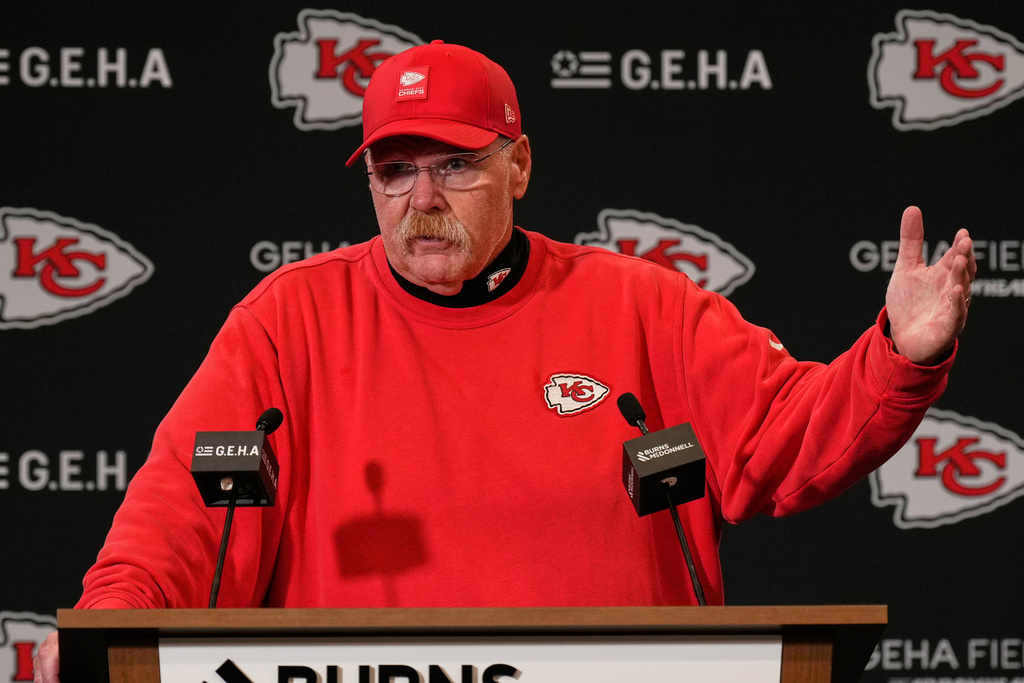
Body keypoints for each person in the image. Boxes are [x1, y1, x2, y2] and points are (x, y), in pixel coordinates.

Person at [33, 40, 975, 681]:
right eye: (395, 171)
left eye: (454, 165)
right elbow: (175, 521)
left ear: (519, 165)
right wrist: (107, 637)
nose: (422, 200)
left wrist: (899, 354)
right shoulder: (290, 321)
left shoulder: (640, 306)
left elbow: (792, 435)